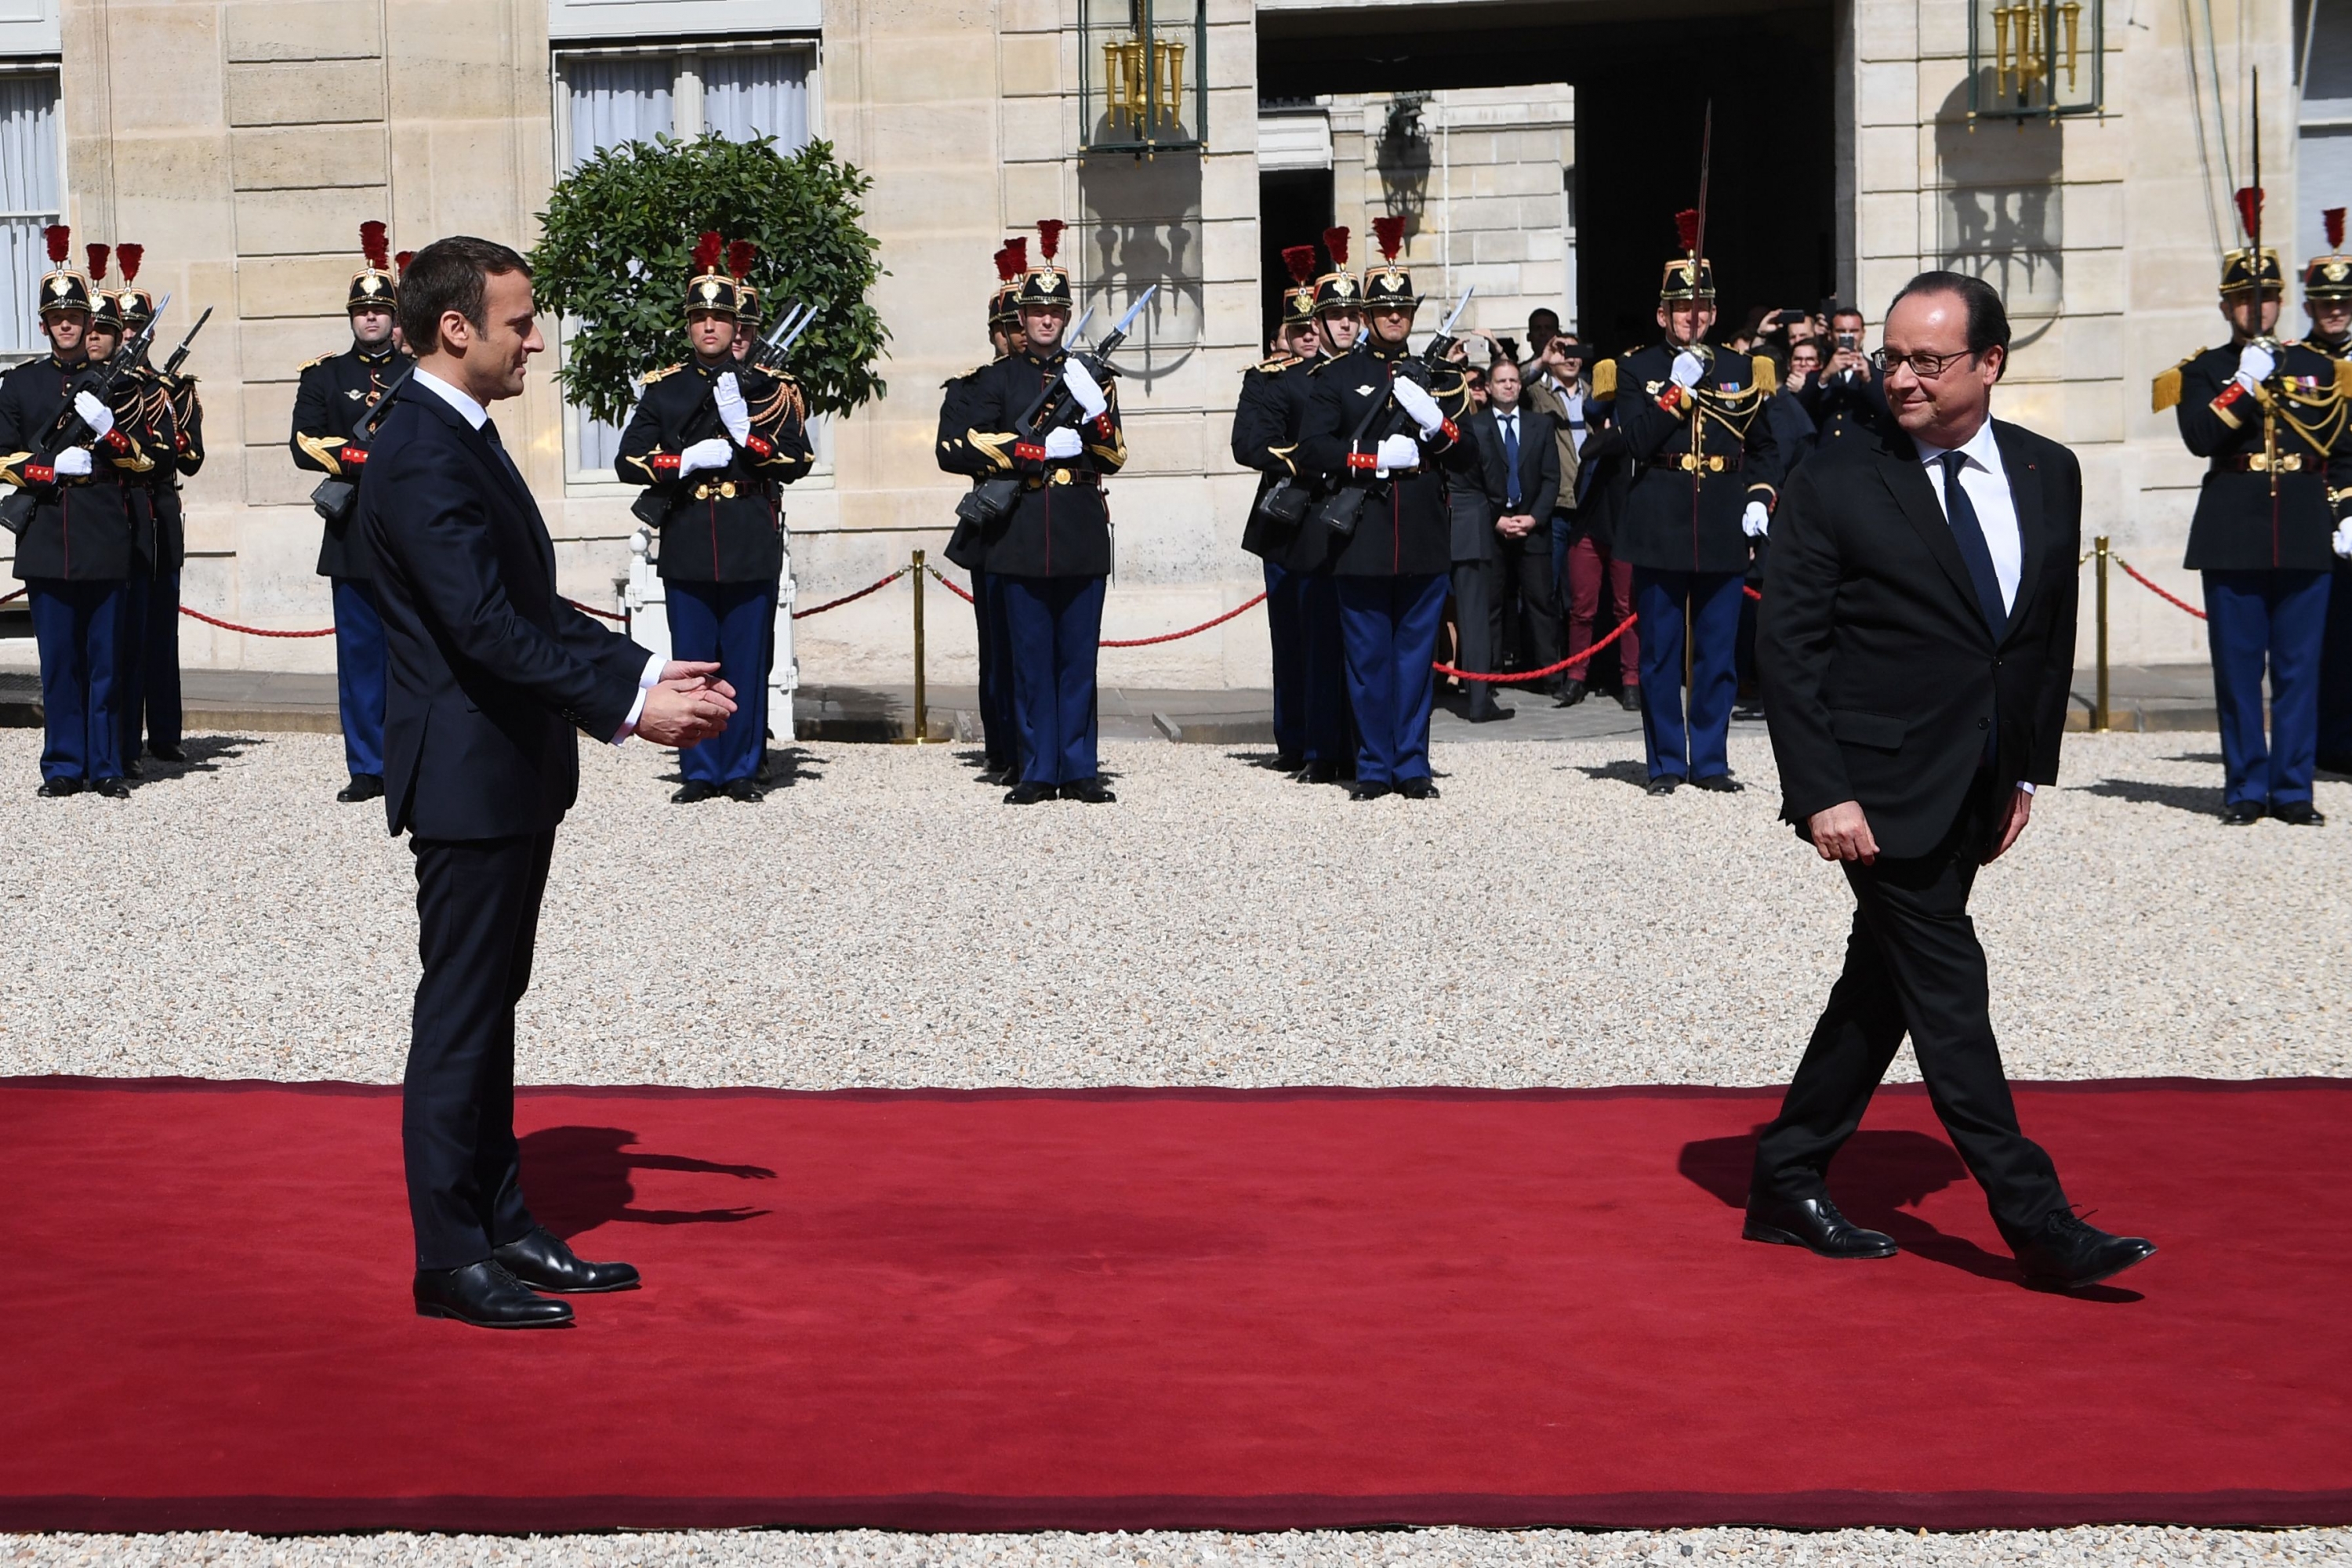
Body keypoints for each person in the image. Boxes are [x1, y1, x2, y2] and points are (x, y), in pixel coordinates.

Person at [356, 234, 737, 1329]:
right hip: (468, 775)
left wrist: (645, 668)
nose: (537, 338)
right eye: (519, 321)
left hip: (508, 766)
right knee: (461, 1014)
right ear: (456, 329)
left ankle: (502, 1224)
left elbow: (520, 607)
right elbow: (480, 626)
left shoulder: (458, 434)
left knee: (492, 1007)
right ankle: (448, 1257)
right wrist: (628, 708)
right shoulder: (424, 449)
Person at [1751, 270, 2154, 1292]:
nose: (1903, 378)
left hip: (1976, 778)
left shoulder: (2046, 471)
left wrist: (2024, 768)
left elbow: (2038, 637)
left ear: (1990, 362)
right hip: (1876, 785)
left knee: (1880, 982)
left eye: (1928, 361)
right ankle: (2036, 1218)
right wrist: (1820, 791)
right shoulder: (1835, 473)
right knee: (1948, 986)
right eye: (1893, 357)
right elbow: (1788, 651)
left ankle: (1787, 1173)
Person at [2154, 192, 2352, 825]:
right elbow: (2200, 439)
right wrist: (2245, 382)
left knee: (2300, 669)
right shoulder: (2204, 370)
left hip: (2301, 524)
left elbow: (2344, 448)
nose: (2256, 307)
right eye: (2243, 297)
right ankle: (2245, 787)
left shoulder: (2318, 366)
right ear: (2225, 305)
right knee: (2239, 672)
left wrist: (2345, 511)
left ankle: (2294, 790)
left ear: (2281, 302)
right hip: (2232, 528)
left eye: (2266, 296)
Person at [616, 234, 814, 804]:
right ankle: (700, 768)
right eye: (699, 317)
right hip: (689, 537)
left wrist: (745, 433)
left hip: (749, 535)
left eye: (720, 318)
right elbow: (629, 459)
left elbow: (797, 458)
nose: (709, 328)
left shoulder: (768, 388)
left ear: (736, 327)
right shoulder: (666, 389)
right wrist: (683, 461)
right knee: (696, 664)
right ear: (689, 326)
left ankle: (743, 768)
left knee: (748, 662)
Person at [939, 219, 1128, 804]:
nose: (1046, 319)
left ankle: (1078, 767)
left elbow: (1115, 454)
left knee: (1076, 660)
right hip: (1018, 528)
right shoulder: (995, 381)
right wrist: (1033, 451)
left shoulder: (1091, 379)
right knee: (1028, 660)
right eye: (1036, 311)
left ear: (1066, 317)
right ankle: (1036, 769)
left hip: (1076, 528)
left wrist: (1095, 417)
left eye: (1056, 311)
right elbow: (960, 445)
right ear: (1019, 318)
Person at [1596, 209, 1782, 795]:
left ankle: (1710, 760)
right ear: (1663, 314)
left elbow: (1767, 447)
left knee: (1718, 657)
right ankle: (1666, 763)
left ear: (1715, 312)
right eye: (1681, 308)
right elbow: (1632, 440)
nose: (1692, 317)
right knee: (1660, 656)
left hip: (1724, 518)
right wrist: (1675, 389)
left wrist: (1759, 496)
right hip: (1660, 517)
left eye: (1701, 307)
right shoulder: (1634, 369)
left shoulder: (1742, 368)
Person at [1294, 215, 1474, 800]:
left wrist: (1434, 421)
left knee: (1416, 662)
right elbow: (1315, 448)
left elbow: (1470, 458)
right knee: (1369, 662)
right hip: (1363, 532)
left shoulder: (1439, 378)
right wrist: (1373, 456)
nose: (1396, 317)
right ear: (1367, 315)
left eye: (1404, 310)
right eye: (1385, 309)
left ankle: (1412, 764)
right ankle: (1373, 766)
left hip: (1422, 531)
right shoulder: (1339, 376)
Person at [0, 226, 152, 799]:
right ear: (44, 325)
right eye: (56, 318)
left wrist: (110, 432)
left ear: (90, 324)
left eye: (76, 317)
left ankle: (107, 763)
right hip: (45, 537)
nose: (67, 325)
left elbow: (144, 461)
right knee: (60, 664)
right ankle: (64, 765)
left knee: (106, 663)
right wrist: (49, 468)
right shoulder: (19, 386)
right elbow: (2, 457)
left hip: (105, 536)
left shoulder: (117, 386)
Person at [291, 222, 413, 804]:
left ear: (395, 315)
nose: (371, 318)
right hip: (352, 531)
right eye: (361, 310)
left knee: (411, 653)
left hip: (412, 532)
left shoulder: (421, 374)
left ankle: (411, 758)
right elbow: (303, 443)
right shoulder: (325, 376)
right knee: (361, 657)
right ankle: (367, 765)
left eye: (380, 309)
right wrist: (367, 457)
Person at [940, 241, 1029, 784]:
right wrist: (1019, 449)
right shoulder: (973, 388)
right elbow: (953, 448)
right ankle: (1005, 748)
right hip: (997, 523)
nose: (1021, 336)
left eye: (1027, 326)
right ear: (996, 333)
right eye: (1012, 328)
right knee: (999, 647)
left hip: (1049, 520)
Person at [1233, 245, 1324, 768]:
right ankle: (1296, 741)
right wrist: (1312, 458)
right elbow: (1250, 445)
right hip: (1290, 520)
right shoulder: (1268, 379)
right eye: (1299, 327)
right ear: (1282, 335)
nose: (1309, 334)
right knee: (1292, 638)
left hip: (1343, 517)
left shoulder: (1344, 373)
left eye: (1315, 325)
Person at [111, 247, 201, 769]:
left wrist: (168, 430)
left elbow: (189, 457)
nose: (130, 335)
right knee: (119, 635)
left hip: (159, 515)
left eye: (137, 327)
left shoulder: (172, 392)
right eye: (122, 327)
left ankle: (164, 732)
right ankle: (120, 739)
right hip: (110, 516)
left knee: (160, 634)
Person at [1525, 332, 1622, 707]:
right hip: (1556, 506)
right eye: (1562, 351)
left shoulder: (1596, 394)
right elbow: (1508, 388)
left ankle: (1601, 672)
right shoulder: (1537, 393)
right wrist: (1540, 361)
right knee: (1552, 596)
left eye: (1576, 351)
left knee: (1597, 599)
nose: (1570, 358)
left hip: (1595, 505)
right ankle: (1557, 673)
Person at [1463, 358, 1563, 710]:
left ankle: (1551, 675)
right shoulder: (1475, 426)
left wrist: (1533, 518)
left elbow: (1552, 478)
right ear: (1488, 388)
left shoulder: (1540, 425)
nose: (1509, 386)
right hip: (1492, 528)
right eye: (1501, 381)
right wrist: (1496, 520)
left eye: (1514, 381)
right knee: (1489, 605)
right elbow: (1470, 481)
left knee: (1540, 602)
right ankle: (1486, 675)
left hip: (1532, 528)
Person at [2303, 207, 2352, 777]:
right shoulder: (2297, 362)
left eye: (2343, 303)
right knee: (2330, 641)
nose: (2336, 311)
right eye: (2325, 303)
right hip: (2321, 514)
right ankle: (2332, 741)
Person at [1798, 303, 1886, 448]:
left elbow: (1888, 412)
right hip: (1826, 454)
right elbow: (1801, 410)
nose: (1848, 336)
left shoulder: (1876, 371)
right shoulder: (1819, 373)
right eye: (1841, 331)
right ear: (1831, 335)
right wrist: (1825, 376)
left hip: (1862, 454)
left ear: (1863, 333)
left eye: (1853, 331)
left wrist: (1868, 381)